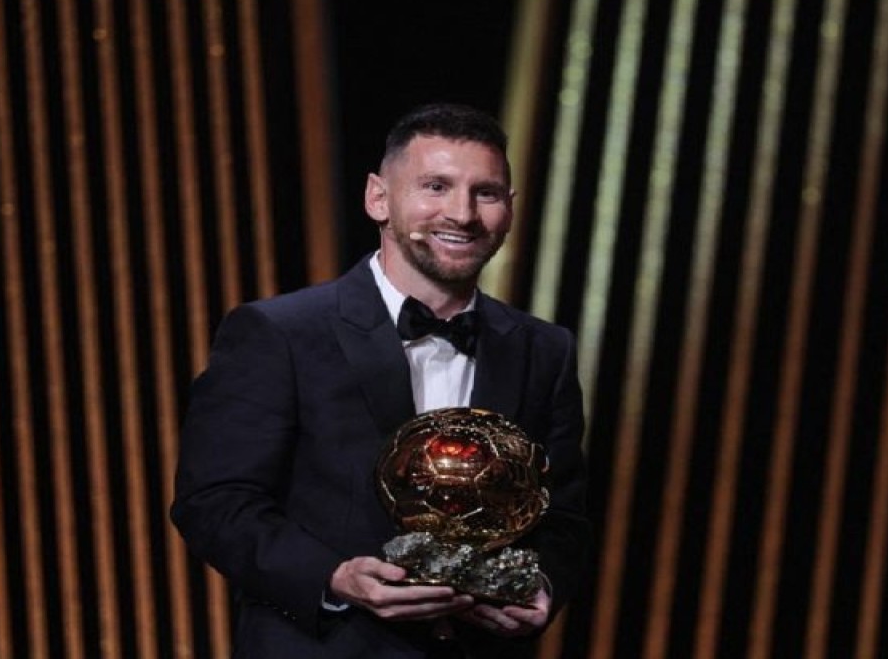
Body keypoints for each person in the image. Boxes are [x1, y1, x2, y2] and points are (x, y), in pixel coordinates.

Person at [171, 103, 590, 658]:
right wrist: (335, 578)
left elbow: (562, 514)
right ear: (378, 198)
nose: (461, 213)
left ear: (509, 209)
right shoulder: (279, 333)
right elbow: (214, 502)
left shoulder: (544, 349)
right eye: (435, 186)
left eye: (486, 193)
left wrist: (543, 588)